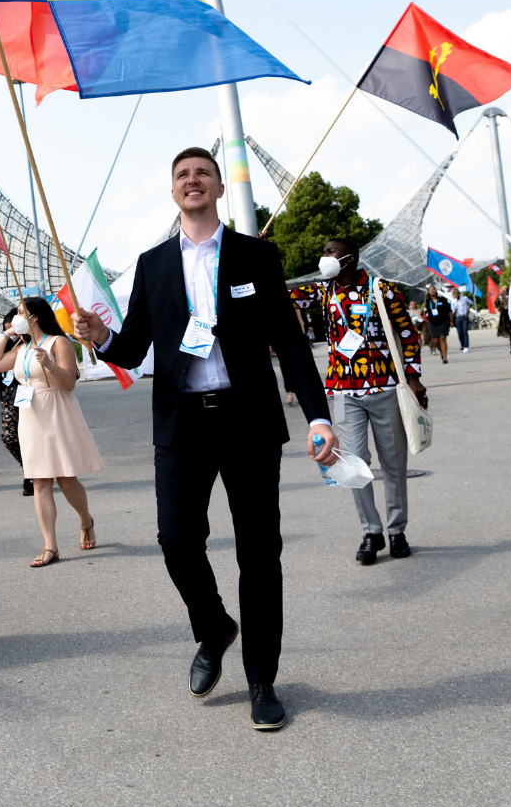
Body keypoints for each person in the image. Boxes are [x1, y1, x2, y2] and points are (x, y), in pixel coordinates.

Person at [74, 147, 336, 732]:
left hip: (247, 422)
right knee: (175, 539)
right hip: (182, 424)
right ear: (173, 193)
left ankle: (261, 681)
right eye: (182, 176)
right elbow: (135, 349)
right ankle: (213, 626)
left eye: (202, 174)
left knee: (259, 554)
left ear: (218, 187)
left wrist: (318, 416)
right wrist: (101, 337)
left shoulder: (256, 256)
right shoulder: (154, 263)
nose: (193, 182)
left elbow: (290, 345)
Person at [292, 238, 427, 566]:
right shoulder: (323, 291)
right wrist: (259, 255)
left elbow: (407, 334)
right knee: (351, 463)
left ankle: (397, 532)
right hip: (343, 391)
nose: (324, 257)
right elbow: (278, 293)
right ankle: (372, 532)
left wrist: (413, 376)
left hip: (385, 388)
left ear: (349, 258)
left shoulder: (382, 290)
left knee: (394, 465)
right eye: (323, 251)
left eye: (330, 252)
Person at [0, 297, 101, 565]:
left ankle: (86, 520)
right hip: (30, 416)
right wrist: (6, 333)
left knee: (66, 479)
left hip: (56, 412)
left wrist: (49, 363)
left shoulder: (58, 342)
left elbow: (69, 383)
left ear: (34, 316)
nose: (16, 316)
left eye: (19, 313)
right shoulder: (22, 347)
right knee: (39, 482)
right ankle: (51, 546)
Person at [0, 307, 33, 496]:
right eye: (7, 331)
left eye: (14, 329)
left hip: (25, 392)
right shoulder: (5, 346)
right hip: (7, 396)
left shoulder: (28, 345)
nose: (12, 335)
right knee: (9, 437)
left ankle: (32, 476)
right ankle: (29, 469)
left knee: (27, 435)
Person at [425, 286, 450, 362]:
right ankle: (441, 352)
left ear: (436, 291)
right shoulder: (426, 302)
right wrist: (423, 308)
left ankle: (445, 357)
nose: (432, 291)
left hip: (443, 321)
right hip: (432, 322)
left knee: (442, 337)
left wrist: (451, 321)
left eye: (433, 289)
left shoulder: (442, 300)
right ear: (428, 292)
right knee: (436, 341)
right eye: (430, 290)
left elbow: (449, 310)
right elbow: (424, 313)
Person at [450, 287, 473, 353]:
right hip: (458, 317)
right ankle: (462, 345)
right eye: (454, 293)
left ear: (459, 293)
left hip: (465, 316)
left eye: (457, 293)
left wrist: (468, 309)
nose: (456, 294)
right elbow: (452, 310)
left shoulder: (464, 298)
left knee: (465, 332)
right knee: (460, 333)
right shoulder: (453, 301)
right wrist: (455, 311)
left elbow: (471, 302)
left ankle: (466, 346)